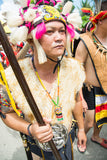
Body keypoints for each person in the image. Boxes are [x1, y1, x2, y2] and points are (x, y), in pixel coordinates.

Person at [0, 1, 86, 159]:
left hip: (68, 136)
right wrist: (30, 129)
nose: (59, 37)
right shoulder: (13, 76)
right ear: (32, 39)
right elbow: (6, 113)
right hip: (37, 146)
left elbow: (77, 101)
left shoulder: (74, 68)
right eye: (50, 32)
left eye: (62, 31)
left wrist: (81, 129)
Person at [75, 0, 107, 152]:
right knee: (88, 122)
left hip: (105, 87)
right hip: (89, 88)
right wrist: (80, 97)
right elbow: (76, 69)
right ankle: (82, 135)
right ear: (100, 20)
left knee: (101, 118)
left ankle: (96, 136)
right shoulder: (85, 40)